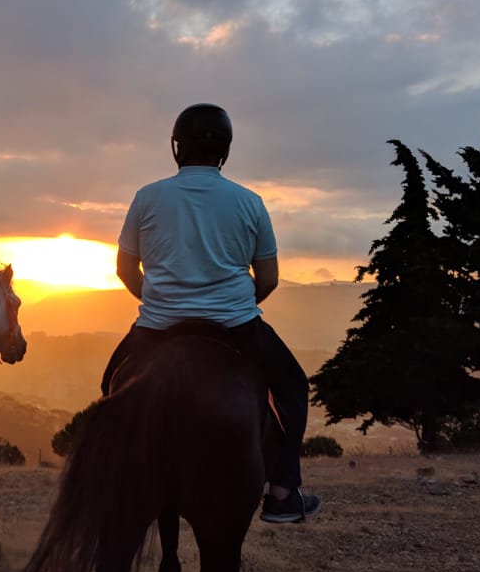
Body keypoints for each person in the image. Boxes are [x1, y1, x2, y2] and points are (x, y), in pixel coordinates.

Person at [108, 103, 321, 523]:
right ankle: (281, 491)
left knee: (110, 382)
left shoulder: (147, 197)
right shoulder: (249, 201)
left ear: (177, 147)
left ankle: (114, 478)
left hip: (158, 327)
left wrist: (156, 299)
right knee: (294, 385)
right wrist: (237, 305)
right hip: (236, 325)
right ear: (224, 151)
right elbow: (271, 277)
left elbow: (124, 269)